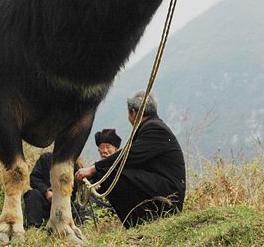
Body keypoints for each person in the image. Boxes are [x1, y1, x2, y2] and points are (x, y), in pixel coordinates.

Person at [76, 91, 186, 228]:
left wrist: (94, 169)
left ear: (133, 113)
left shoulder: (154, 128)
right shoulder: (151, 126)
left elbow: (128, 156)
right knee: (106, 172)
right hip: (161, 185)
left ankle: (137, 222)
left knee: (107, 173)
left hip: (168, 194)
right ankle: (141, 221)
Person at [23, 152, 88, 228]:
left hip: (65, 203)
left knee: (80, 208)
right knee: (32, 194)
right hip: (45, 201)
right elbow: (34, 179)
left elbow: (75, 189)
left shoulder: (73, 163)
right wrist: (46, 191)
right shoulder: (45, 158)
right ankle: (34, 226)